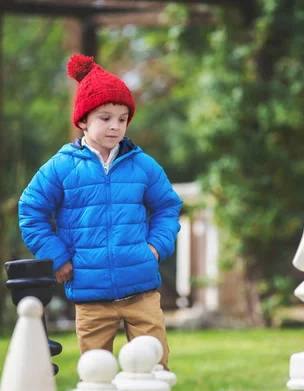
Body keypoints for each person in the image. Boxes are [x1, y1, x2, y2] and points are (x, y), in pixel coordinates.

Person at [18, 54, 183, 371]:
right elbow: (31, 209)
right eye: (105, 117)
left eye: (122, 119)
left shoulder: (143, 165)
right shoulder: (62, 167)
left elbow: (167, 206)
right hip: (90, 295)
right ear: (82, 121)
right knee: (96, 373)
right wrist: (58, 257)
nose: (115, 126)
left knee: (155, 368)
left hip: (142, 291)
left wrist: (155, 247)